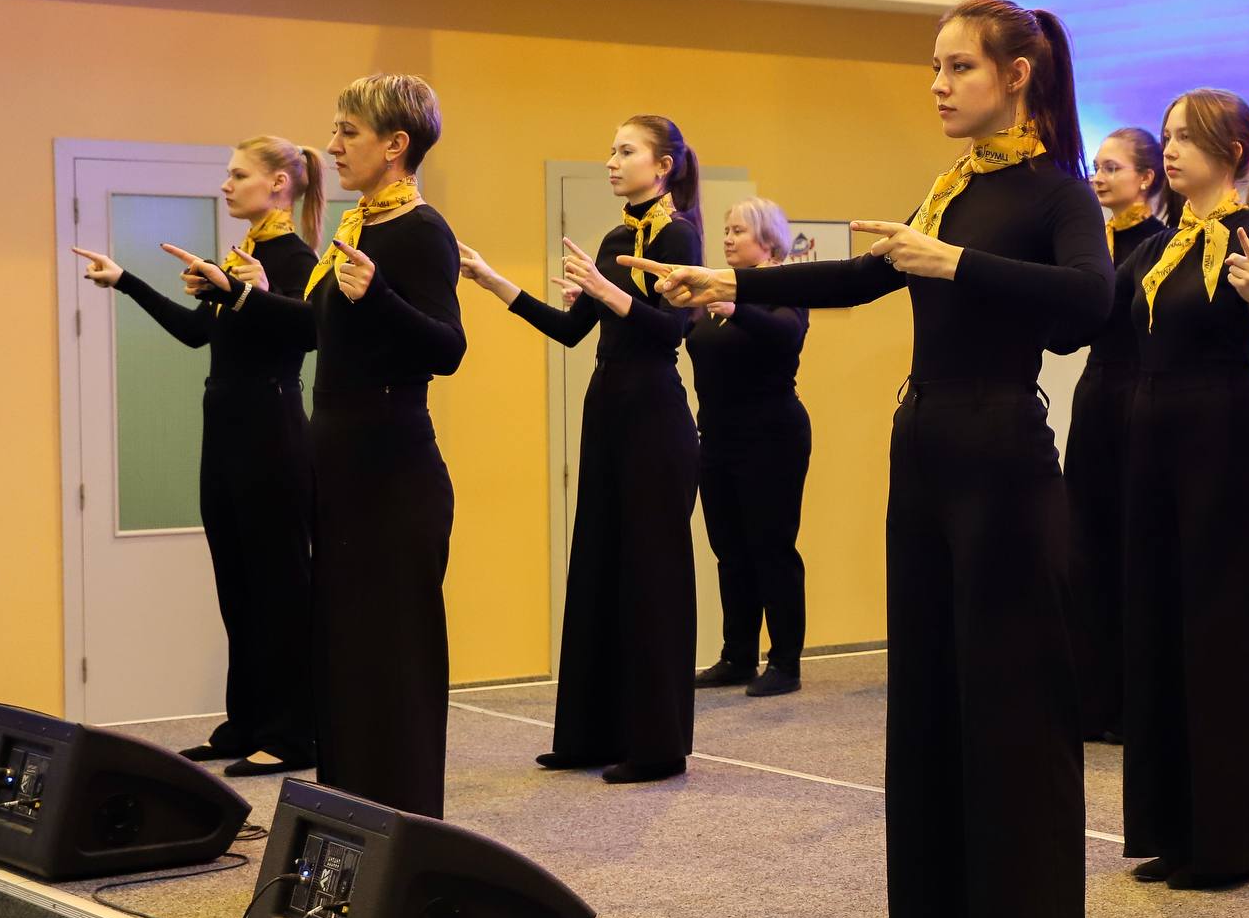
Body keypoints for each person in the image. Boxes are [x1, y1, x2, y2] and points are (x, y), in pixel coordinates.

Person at [621, 0, 1109, 918]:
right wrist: (733, 280)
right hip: (923, 447)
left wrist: (956, 264)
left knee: (1011, 706)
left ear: (1017, 75)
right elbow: (858, 276)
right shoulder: (951, 187)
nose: (937, 84)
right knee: (925, 696)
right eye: (934, 66)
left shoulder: (1058, 192)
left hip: (1002, 456)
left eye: (957, 66)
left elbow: (1088, 303)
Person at [198, 75, 466, 818]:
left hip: (393, 468)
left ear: (396, 144)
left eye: (349, 131)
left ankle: (403, 826)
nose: (334, 145)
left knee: (392, 660)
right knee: (344, 658)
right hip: (339, 465)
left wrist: (378, 296)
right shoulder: (357, 228)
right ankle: (348, 822)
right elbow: (318, 331)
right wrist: (244, 293)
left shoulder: (420, 229)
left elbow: (448, 348)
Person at [459, 118, 702, 784]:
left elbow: (671, 331)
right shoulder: (617, 239)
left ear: (664, 165)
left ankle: (657, 747)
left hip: (654, 416)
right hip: (608, 411)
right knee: (597, 566)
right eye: (611, 151)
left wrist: (607, 291)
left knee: (651, 575)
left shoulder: (679, 235)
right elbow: (571, 330)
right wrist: (494, 282)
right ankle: (590, 735)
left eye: (626, 151)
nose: (611, 161)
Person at [73, 137, 323, 777]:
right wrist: (125, 281)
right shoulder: (241, 258)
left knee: (279, 587)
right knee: (237, 585)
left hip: (273, 433)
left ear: (278, 184)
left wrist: (247, 291)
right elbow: (195, 333)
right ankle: (247, 723)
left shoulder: (297, 259)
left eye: (238, 174)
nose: (226, 185)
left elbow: (308, 330)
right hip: (228, 433)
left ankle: (293, 735)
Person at [1116, 91, 1249, 888]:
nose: (1172, 150)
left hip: (1223, 445)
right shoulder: (1160, 245)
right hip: (1154, 447)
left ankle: (1226, 845)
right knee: (1159, 630)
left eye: (1187, 138)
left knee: (1222, 638)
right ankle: (1174, 831)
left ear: (1233, 155)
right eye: (1167, 137)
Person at [685, 198, 813, 700]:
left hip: (772, 436)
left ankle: (784, 662)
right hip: (718, 438)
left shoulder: (783, 286)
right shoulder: (718, 289)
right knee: (729, 550)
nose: (727, 238)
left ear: (768, 239)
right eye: (726, 230)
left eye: (739, 230)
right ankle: (737, 655)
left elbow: (787, 335)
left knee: (771, 547)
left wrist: (736, 310)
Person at [1068, 127, 1169, 743]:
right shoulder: (1092, 243)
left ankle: (1135, 704)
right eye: (1096, 167)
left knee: (1133, 547)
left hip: (1138, 393)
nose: (1099, 178)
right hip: (1095, 393)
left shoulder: (1161, 243)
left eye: (1112, 167)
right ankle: (1090, 698)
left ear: (1146, 178)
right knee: (1085, 545)